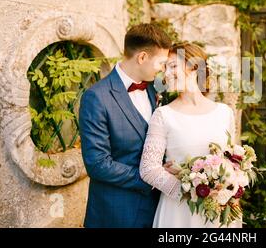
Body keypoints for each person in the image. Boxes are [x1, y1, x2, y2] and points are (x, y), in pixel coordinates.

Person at [79, 23, 172, 228]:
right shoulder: (96, 98)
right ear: (142, 58)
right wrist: (153, 178)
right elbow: (98, 164)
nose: (163, 69)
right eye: (161, 63)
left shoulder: (153, 91)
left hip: (157, 212)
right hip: (116, 213)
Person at [139, 42, 240, 228]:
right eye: (165, 68)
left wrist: (229, 190)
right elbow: (148, 169)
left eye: (173, 66)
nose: (167, 74)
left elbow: (233, 162)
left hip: (219, 211)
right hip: (179, 213)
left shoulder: (225, 113)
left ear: (195, 68)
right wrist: (193, 192)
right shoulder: (163, 115)